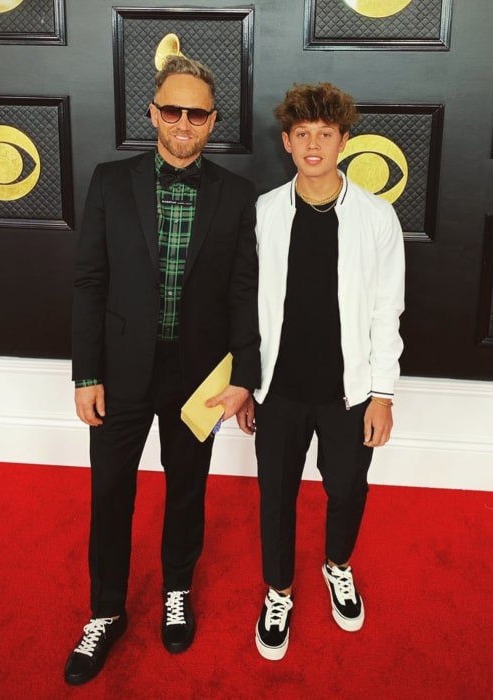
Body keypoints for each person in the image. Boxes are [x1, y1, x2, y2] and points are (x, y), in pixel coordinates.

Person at [64, 55, 260, 686]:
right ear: (152, 113)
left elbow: (242, 292)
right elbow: (91, 281)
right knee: (110, 493)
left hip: (198, 377)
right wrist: (85, 372)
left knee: (186, 490)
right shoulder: (110, 180)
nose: (182, 122)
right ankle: (106, 610)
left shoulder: (236, 195)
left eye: (196, 113)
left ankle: (177, 588)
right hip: (118, 372)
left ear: (212, 123)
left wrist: (244, 376)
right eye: (171, 109)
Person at [252, 82, 405, 660]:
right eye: (303, 134)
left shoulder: (377, 217)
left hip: (351, 392)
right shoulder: (265, 212)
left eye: (326, 133)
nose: (314, 144)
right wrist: (248, 384)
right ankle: (280, 591)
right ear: (288, 141)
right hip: (279, 390)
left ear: (344, 139)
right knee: (276, 497)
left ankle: (337, 565)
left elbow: (386, 310)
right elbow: (247, 308)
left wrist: (383, 394)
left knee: (346, 489)